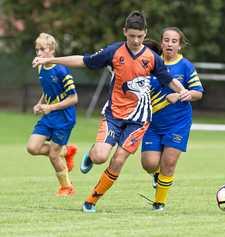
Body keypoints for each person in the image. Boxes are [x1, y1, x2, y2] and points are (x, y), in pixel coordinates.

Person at [32, 11, 190, 213]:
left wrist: (183, 91)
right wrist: (51, 61)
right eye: (131, 35)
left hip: (139, 120)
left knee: (118, 159)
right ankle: (91, 154)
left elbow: (168, 79)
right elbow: (83, 60)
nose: (135, 40)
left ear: (145, 34)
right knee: (100, 157)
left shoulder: (152, 58)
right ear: (124, 32)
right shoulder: (114, 52)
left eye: (140, 36)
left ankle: (91, 200)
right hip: (114, 115)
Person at [141, 27, 204, 211]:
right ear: (161, 43)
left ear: (180, 45)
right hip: (153, 124)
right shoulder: (152, 63)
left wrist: (181, 95)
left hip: (178, 123)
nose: (169, 44)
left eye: (174, 41)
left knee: (169, 162)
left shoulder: (185, 66)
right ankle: (156, 175)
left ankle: (159, 203)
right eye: (166, 40)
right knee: (149, 164)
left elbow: (198, 93)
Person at [27, 33, 78, 196]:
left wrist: (52, 107)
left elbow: (74, 98)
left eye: (42, 49)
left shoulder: (62, 70)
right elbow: (47, 89)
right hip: (49, 116)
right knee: (32, 148)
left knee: (53, 154)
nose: (39, 53)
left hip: (64, 119)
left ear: (51, 50)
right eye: (37, 50)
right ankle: (66, 151)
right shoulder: (41, 67)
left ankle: (66, 187)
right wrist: (39, 103)